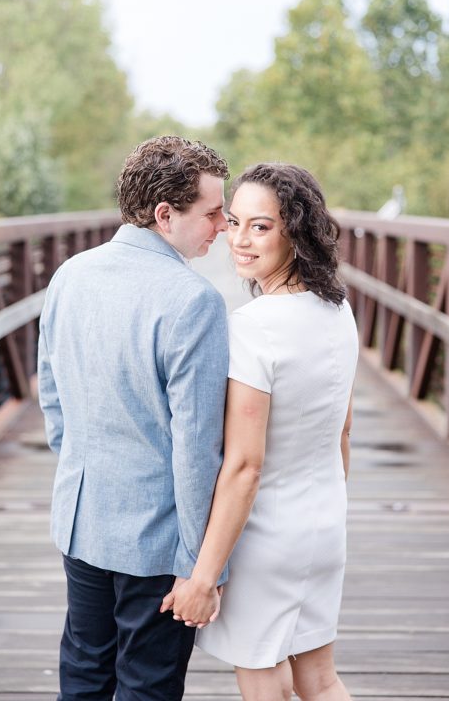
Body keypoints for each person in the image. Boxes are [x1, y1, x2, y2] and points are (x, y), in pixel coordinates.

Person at [37, 136, 231, 699]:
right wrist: (201, 567)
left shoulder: (70, 274)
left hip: (80, 520)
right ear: (165, 215)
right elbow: (197, 450)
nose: (222, 226)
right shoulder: (194, 301)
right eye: (213, 213)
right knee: (147, 687)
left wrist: (80, 465)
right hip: (157, 543)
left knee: (83, 676)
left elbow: (52, 397)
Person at [161, 163, 358, 701]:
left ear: (295, 229)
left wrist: (203, 575)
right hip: (324, 522)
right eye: (233, 221)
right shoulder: (338, 311)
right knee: (320, 680)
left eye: (261, 226)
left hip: (267, 538)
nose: (240, 240)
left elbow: (245, 466)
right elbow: (342, 432)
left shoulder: (252, 328)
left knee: (263, 677)